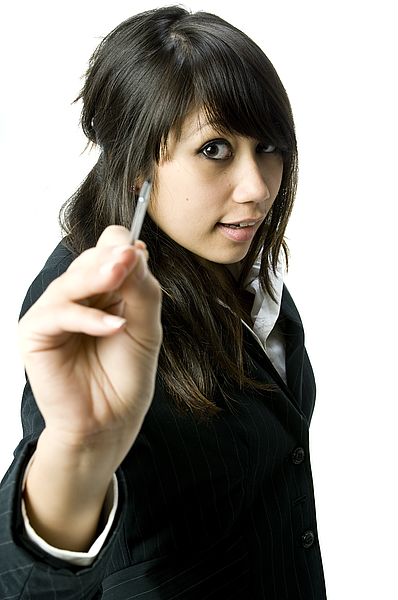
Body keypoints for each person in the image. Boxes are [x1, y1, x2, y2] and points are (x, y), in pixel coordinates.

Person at [0, 6, 327, 599]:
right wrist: (78, 451)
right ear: (136, 168)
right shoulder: (95, 307)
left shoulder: (230, 257)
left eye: (269, 146)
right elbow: (24, 587)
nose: (257, 188)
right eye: (215, 150)